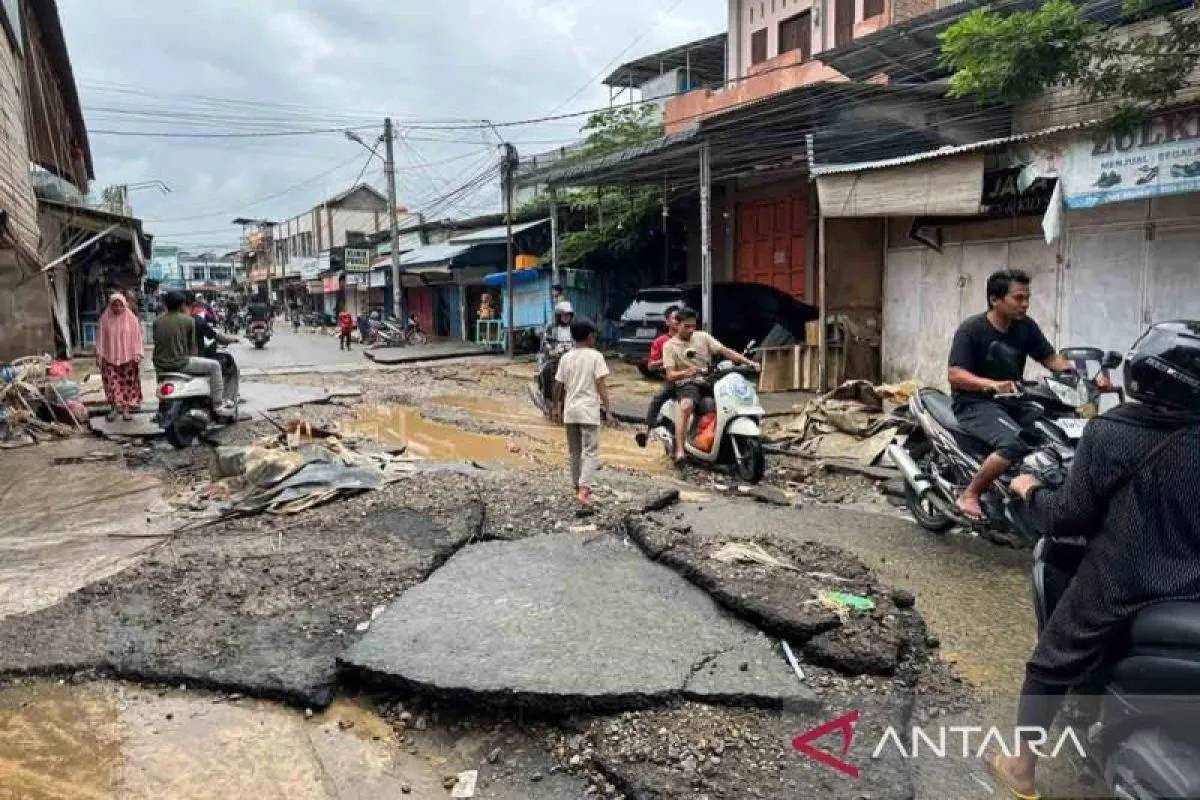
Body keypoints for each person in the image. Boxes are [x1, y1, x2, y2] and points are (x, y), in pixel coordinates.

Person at [987, 321, 1200, 800]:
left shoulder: (1111, 432)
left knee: (1050, 663)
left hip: (1125, 580)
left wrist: (1030, 490)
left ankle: (1021, 768)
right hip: (1192, 582)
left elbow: (1067, 518)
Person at [948, 269, 1075, 520]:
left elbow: (1050, 358)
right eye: (1018, 298)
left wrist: (1079, 376)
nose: (1025, 304)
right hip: (975, 403)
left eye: (1027, 298)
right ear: (995, 300)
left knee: (1054, 431)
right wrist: (992, 385)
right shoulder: (971, 329)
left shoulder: (1025, 327)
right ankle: (970, 494)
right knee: (1013, 442)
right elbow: (955, 374)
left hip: (1015, 400)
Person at [662, 307, 758, 465]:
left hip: (709, 379)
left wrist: (749, 363)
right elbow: (670, 375)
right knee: (686, 406)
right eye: (687, 326)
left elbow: (724, 350)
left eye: (693, 325)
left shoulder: (702, 337)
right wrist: (688, 372)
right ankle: (680, 449)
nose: (691, 330)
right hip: (688, 383)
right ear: (676, 325)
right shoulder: (669, 346)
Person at [552, 317, 616, 506]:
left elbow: (558, 385)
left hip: (570, 411)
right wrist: (608, 410)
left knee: (574, 451)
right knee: (590, 451)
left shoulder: (566, 357)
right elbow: (601, 385)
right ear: (590, 336)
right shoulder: (596, 356)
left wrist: (556, 407)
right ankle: (584, 490)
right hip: (588, 410)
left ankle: (577, 485)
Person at [153, 290, 234, 417]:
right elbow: (193, 349)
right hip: (180, 363)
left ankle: (161, 409)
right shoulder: (188, 320)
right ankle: (218, 404)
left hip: (160, 364)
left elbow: (158, 342)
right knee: (215, 366)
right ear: (182, 305)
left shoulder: (157, 321)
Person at [635, 305, 681, 447]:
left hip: (693, 379)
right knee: (657, 399)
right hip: (673, 380)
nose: (678, 321)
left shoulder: (692, 337)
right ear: (667, 322)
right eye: (675, 318)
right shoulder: (661, 341)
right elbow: (650, 365)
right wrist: (667, 360)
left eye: (681, 318)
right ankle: (646, 431)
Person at [96, 292, 144, 422]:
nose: (117, 308)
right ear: (110, 306)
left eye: (120, 305)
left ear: (125, 305)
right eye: (114, 305)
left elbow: (137, 337)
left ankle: (126, 410)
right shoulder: (104, 319)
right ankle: (113, 409)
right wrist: (99, 355)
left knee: (127, 385)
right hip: (109, 358)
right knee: (111, 385)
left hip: (128, 358)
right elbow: (100, 338)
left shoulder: (132, 319)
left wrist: (138, 353)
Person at [538, 301, 576, 401]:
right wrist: (551, 350)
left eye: (568, 315)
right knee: (547, 370)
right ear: (558, 316)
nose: (566, 317)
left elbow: (579, 341)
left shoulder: (574, 328)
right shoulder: (551, 328)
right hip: (555, 358)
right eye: (563, 315)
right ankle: (548, 398)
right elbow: (545, 343)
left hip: (573, 358)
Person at [187, 292, 238, 358]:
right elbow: (212, 329)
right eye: (199, 298)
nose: (200, 300)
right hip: (193, 355)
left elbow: (212, 317)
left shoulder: (206, 307)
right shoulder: (199, 315)